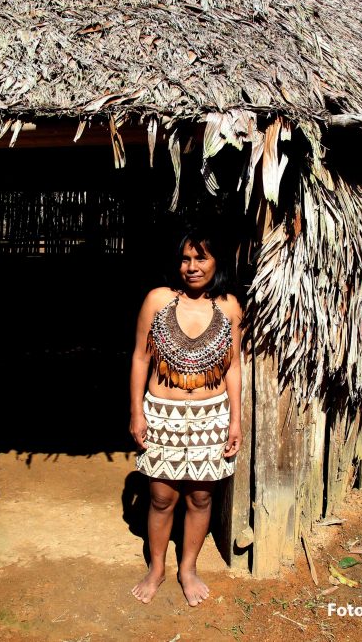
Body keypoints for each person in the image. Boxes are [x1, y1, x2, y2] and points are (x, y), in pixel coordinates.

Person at [129, 230, 243, 606]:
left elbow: (233, 366)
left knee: (200, 497)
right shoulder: (158, 301)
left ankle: (188, 568)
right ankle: (157, 567)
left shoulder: (229, 307)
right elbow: (140, 358)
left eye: (201, 259)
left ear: (216, 262)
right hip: (163, 413)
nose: (192, 267)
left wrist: (235, 420)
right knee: (161, 497)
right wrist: (137, 412)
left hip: (212, 415)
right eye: (185, 259)